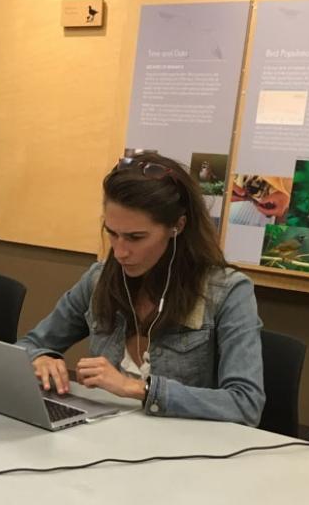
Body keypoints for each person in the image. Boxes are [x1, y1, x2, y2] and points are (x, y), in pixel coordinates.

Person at [18, 152, 264, 426]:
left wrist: (139, 389)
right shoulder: (99, 279)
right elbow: (29, 345)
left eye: (136, 237)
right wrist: (40, 358)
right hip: (104, 441)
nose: (120, 252)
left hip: (184, 454)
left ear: (177, 227)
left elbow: (246, 404)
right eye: (112, 233)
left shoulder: (228, 292)